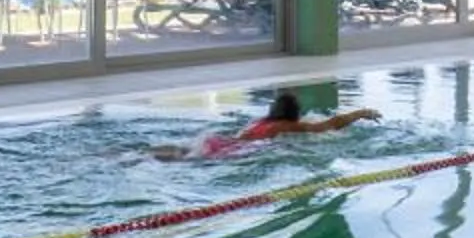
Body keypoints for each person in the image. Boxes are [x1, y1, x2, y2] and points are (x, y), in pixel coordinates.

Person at [156, 89, 380, 159]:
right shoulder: (284, 127)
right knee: (184, 160)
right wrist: (360, 113)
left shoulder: (262, 122)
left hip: (216, 142)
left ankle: (134, 156)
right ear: (293, 114)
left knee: (180, 154)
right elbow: (328, 125)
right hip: (230, 151)